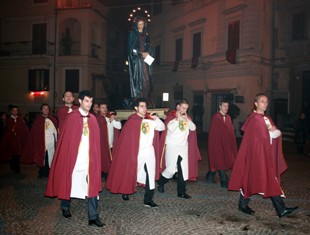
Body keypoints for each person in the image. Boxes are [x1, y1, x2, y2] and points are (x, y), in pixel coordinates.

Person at [228, 93, 298, 218]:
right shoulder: (255, 119)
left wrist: (275, 133)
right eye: (262, 101)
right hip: (258, 155)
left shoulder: (265, 118)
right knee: (264, 179)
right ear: (256, 103)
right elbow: (265, 137)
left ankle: (244, 205)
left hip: (264, 154)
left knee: (255, 179)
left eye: (266, 102)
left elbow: (271, 133)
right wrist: (275, 133)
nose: (265, 104)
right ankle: (280, 209)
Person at [45, 90, 105, 227]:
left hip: (89, 159)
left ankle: (93, 217)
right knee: (68, 180)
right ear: (80, 101)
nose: (89, 104)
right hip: (74, 157)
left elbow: (96, 143)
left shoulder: (93, 119)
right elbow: (65, 140)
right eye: (86, 101)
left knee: (92, 185)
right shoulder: (71, 118)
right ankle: (65, 207)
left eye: (91, 101)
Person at [105, 98, 165, 207]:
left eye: (145, 106)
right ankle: (125, 189)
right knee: (131, 172)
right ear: (136, 108)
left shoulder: (151, 120)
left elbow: (161, 128)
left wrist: (156, 119)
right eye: (141, 106)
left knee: (150, 174)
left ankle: (148, 199)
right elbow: (127, 139)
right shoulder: (132, 120)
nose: (144, 108)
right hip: (136, 151)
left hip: (149, 151)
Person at [157, 99, 201, 199]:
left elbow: (193, 128)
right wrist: (177, 119)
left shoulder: (187, 118)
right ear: (178, 107)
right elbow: (170, 128)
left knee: (183, 170)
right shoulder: (171, 117)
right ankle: (161, 182)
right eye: (183, 108)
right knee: (171, 170)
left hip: (183, 147)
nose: (185, 110)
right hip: (172, 147)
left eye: (186, 108)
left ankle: (181, 192)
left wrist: (187, 120)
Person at [206, 100, 237, 188]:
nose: (226, 108)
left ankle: (210, 175)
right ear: (220, 106)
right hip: (217, 143)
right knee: (220, 160)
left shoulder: (228, 118)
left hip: (226, 143)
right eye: (224, 106)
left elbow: (230, 132)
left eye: (227, 106)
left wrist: (230, 143)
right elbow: (214, 133)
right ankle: (224, 181)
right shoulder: (216, 117)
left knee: (220, 161)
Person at [21, 104, 58, 178]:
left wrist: (57, 141)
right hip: (41, 142)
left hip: (50, 142)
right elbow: (34, 132)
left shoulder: (53, 119)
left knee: (49, 157)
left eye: (47, 108)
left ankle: (47, 172)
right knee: (41, 157)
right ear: (41, 110)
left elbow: (56, 131)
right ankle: (41, 172)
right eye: (44, 109)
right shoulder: (38, 120)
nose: (45, 110)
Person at [128, 17, 153, 99]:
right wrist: (140, 53)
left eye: (142, 24)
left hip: (146, 58)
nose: (141, 26)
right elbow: (131, 48)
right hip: (138, 59)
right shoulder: (132, 34)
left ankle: (146, 97)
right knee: (139, 78)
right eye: (139, 24)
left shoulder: (146, 35)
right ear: (136, 25)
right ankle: (139, 97)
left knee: (147, 78)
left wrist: (147, 52)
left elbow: (149, 45)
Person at [96, 102, 122, 180]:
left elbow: (119, 127)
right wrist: (109, 121)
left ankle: (108, 178)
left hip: (110, 144)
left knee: (109, 162)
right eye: (102, 108)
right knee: (101, 162)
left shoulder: (109, 117)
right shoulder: (97, 118)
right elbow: (102, 124)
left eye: (105, 108)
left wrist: (116, 119)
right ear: (98, 109)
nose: (104, 109)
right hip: (101, 145)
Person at [0, 106, 29, 173]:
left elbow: (24, 129)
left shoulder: (20, 119)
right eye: (14, 110)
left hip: (19, 140)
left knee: (18, 154)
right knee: (13, 154)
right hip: (11, 140)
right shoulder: (8, 120)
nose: (15, 112)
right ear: (11, 111)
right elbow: (7, 130)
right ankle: (14, 167)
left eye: (16, 110)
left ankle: (16, 167)